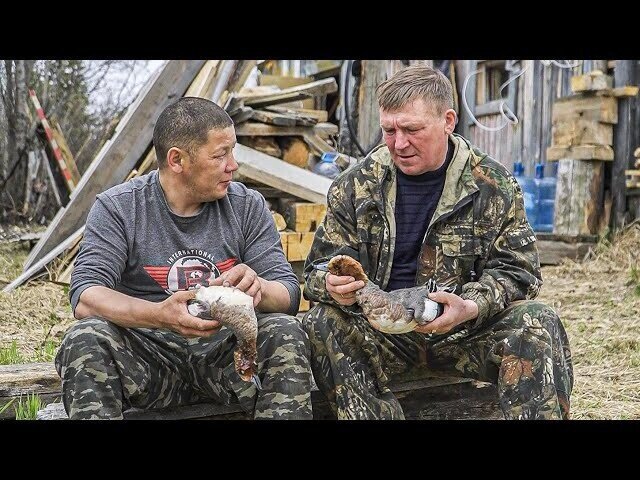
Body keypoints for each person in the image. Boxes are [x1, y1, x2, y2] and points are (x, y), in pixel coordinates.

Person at [302, 64, 573, 420]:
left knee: (538, 322)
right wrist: (332, 284)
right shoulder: (356, 185)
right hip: (383, 335)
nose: (399, 143)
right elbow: (315, 273)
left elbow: (519, 272)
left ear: (448, 120)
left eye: (412, 129)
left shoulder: (491, 184)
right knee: (320, 321)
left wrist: (471, 306)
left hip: (461, 334)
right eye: (388, 130)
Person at [55, 97, 313, 420]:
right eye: (221, 155)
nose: (233, 165)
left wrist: (259, 286)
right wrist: (160, 315)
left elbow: (289, 294)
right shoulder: (119, 207)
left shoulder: (247, 205)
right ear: (177, 160)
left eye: (233, 151)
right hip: (149, 359)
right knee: (84, 339)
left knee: (286, 331)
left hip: (226, 358)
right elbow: (86, 297)